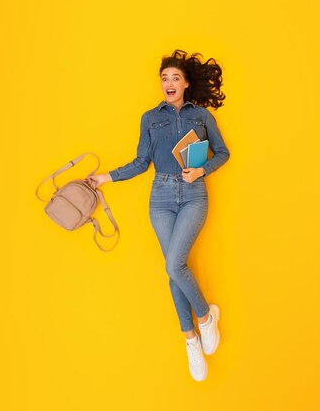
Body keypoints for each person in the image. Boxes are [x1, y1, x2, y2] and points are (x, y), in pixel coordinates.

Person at [85, 50, 230, 381]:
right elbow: (141, 163)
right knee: (173, 270)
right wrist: (105, 177)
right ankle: (191, 338)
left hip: (193, 194)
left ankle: (206, 318)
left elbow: (223, 152)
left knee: (173, 264)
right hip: (161, 196)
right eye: (164, 79)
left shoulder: (202, 117)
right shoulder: (150, 118)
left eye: (175, 78)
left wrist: (201, 171)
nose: (169, 83)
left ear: (186, 84)